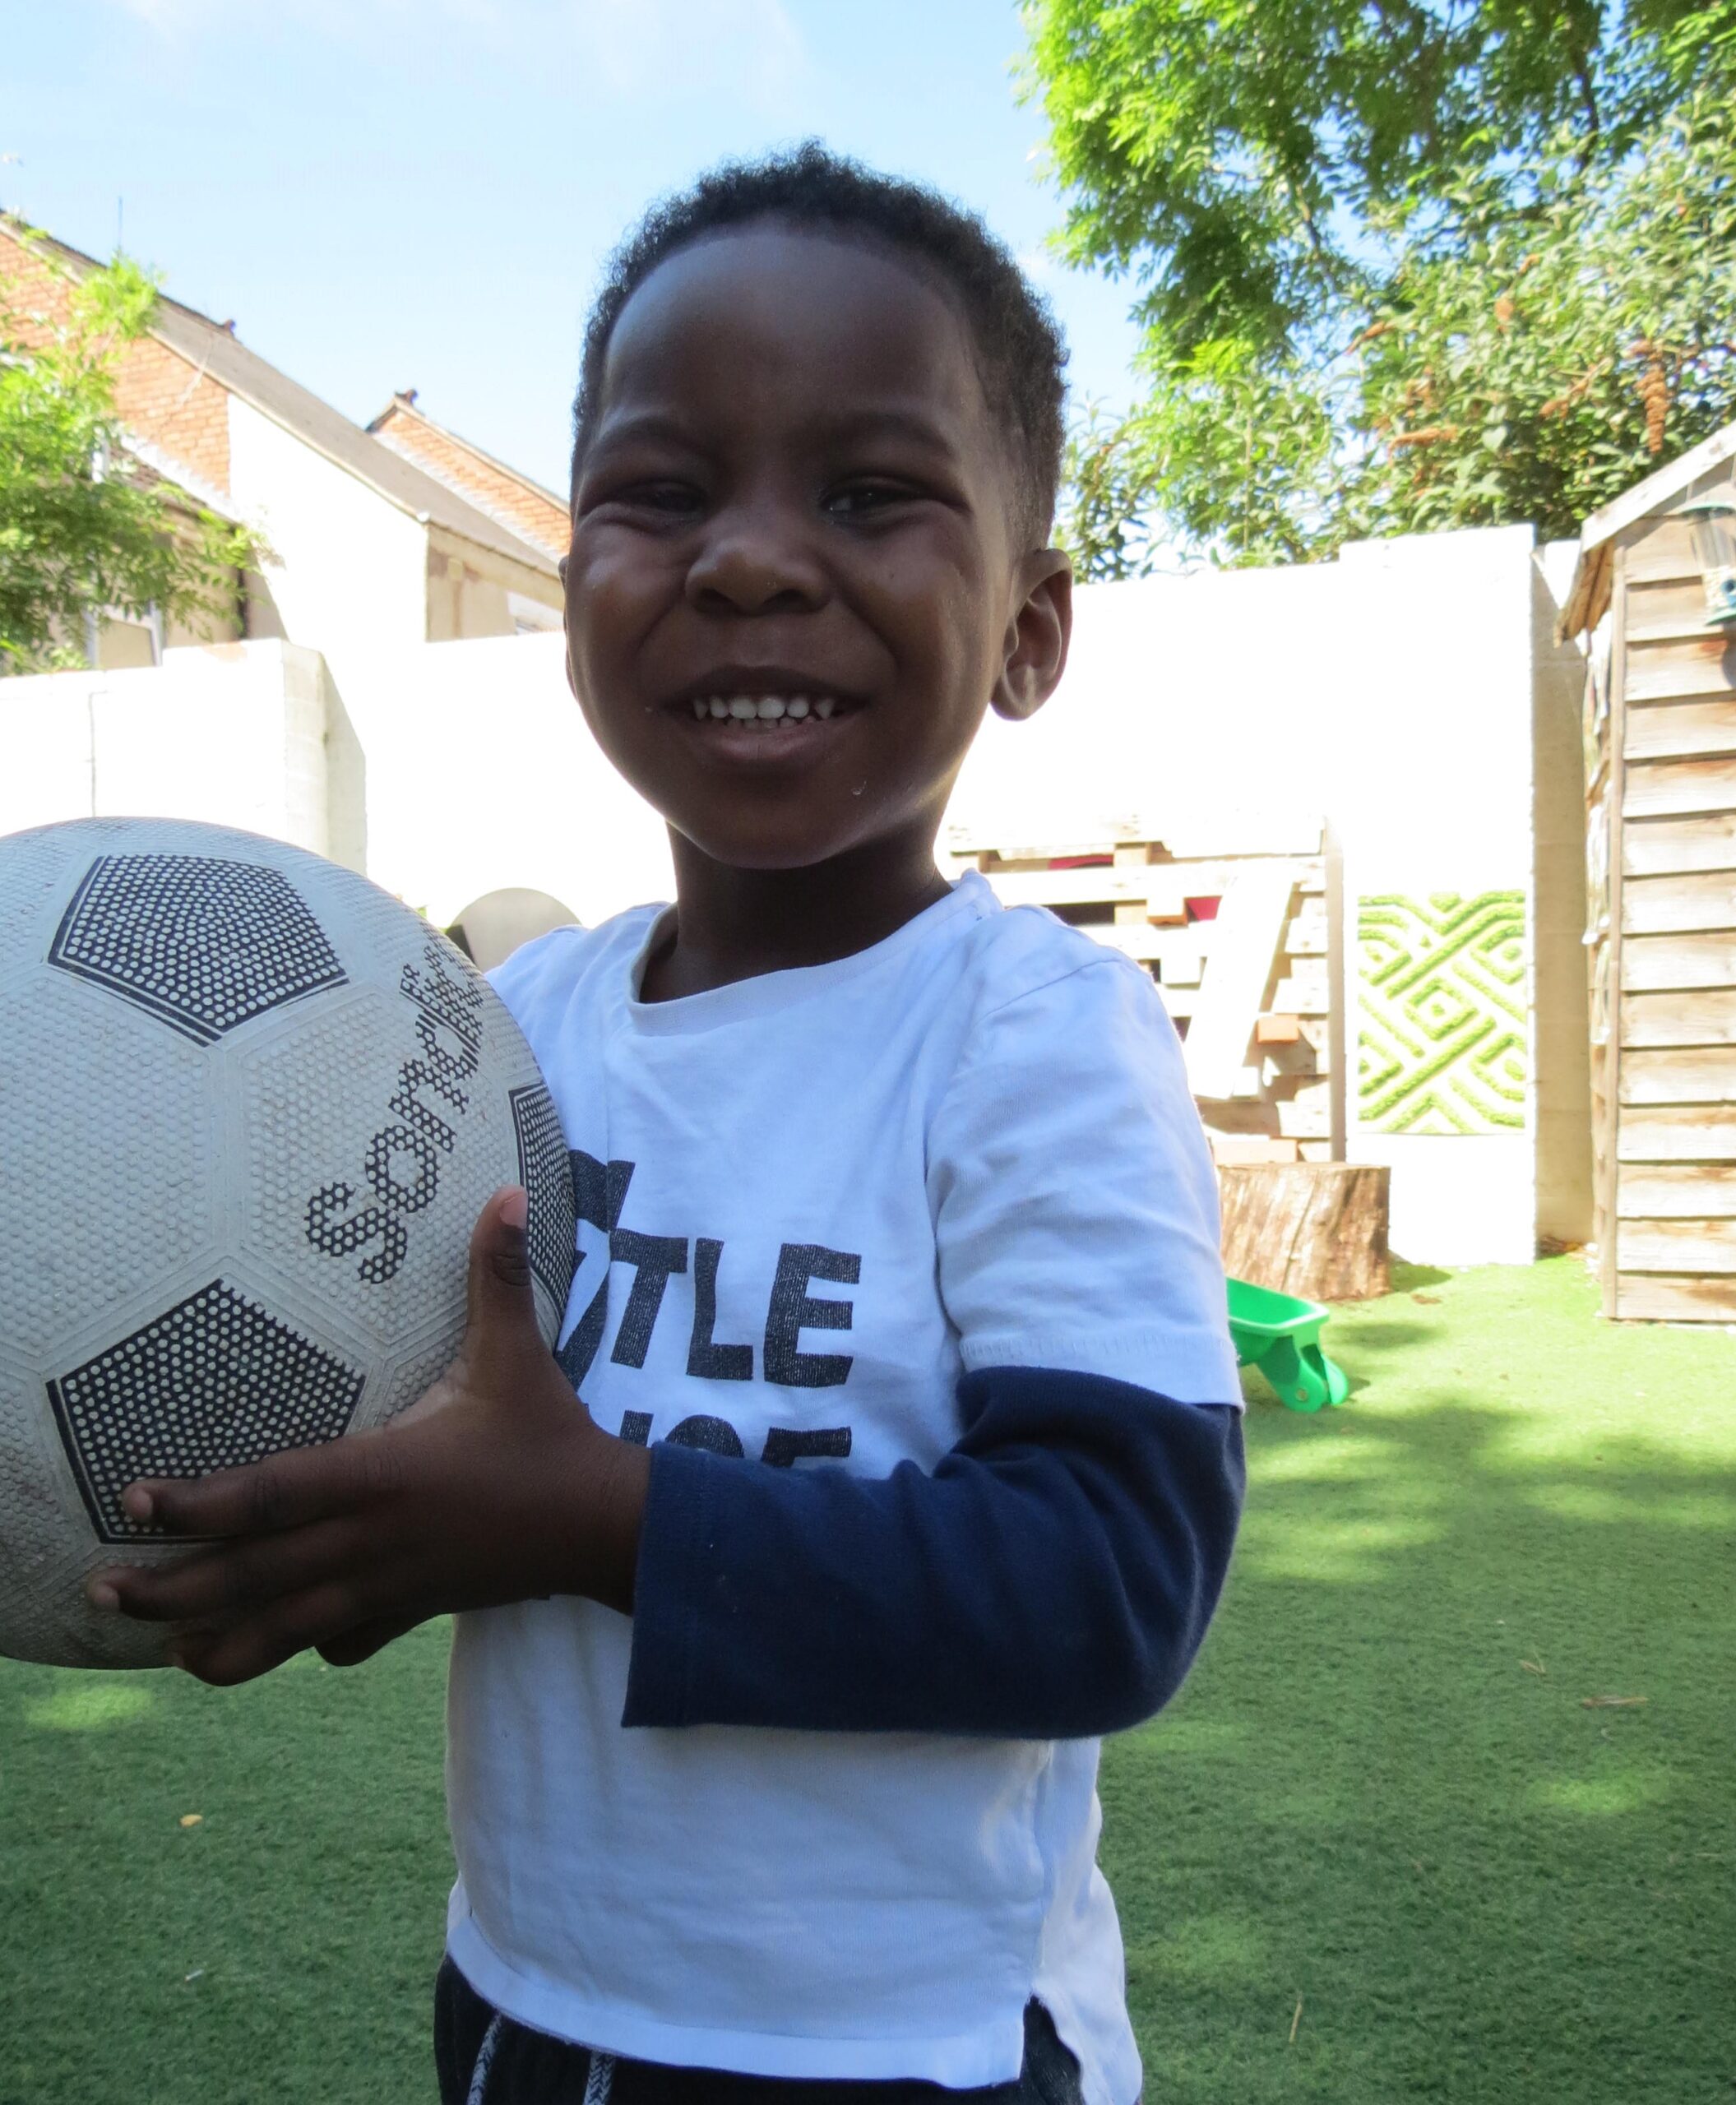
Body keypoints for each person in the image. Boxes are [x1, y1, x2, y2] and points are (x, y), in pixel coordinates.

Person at [88, 144, 1245, 2105]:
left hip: (909, 2051)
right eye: (662, 492)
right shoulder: (491, 1039)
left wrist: (595, 1519)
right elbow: (411, 1417)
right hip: (526, 2002)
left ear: (1032, 630)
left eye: (870, 493)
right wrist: (338, 1532)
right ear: (572, 597)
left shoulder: (1029, 1035)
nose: (750, 558)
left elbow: (1108, 1581)